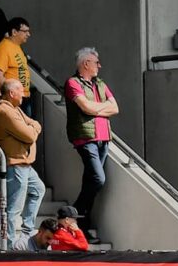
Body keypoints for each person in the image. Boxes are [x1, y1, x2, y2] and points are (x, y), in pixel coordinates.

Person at [65, 46, 118, 232]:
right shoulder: (72, 83)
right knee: (98, 179)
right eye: (96, 62)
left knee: (91, 181)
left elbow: (115, 108)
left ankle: (82, 224)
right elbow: (86, 108)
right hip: (86, 138)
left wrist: (96, 109)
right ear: (86, 63)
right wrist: (102, 108)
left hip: (104, 137)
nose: (99, 66)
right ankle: (71, 216)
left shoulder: (100, 84)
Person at [0, 80, 44, 246]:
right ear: (11, 93)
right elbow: (29, 135)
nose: (24, 94)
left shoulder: (15, 109)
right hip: (14, 164)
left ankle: (27, 231)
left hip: (24, 164)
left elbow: (34, 124)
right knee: (14, 207)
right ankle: (11, 243)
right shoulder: (4, 111)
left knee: (38, 190)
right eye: (21, 90)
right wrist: (33, 129)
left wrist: (33, 128)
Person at [23, 207, 91, 252]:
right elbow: (84, 246)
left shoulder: (64, 231)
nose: (76, 222)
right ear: (67, 220)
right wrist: (78, 231)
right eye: (74, 219)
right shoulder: (61, 234)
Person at [0, 16, 34, 94]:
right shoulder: (4, 47)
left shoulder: (17, 46)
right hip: (13, 98)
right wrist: (11, 94)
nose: (28, 34)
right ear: (14, 32)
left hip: (22, 97)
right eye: (25, 31)